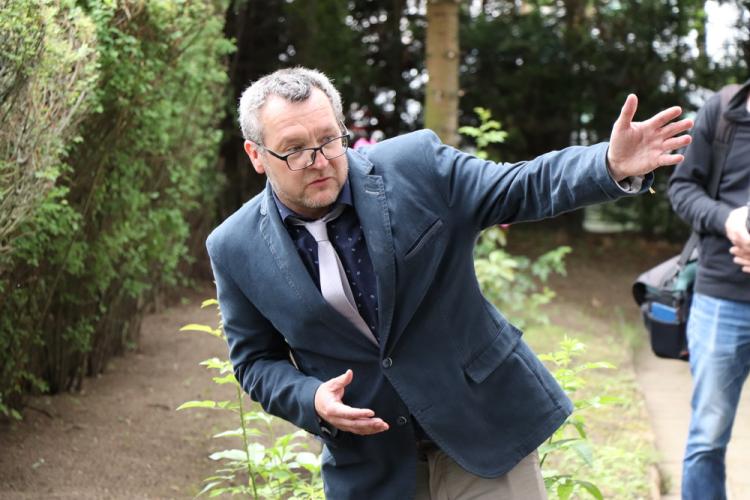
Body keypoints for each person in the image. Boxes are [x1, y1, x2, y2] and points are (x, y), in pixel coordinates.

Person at [207, 67, 692, 500]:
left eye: (329, 140)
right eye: (295, 150)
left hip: (481, 430)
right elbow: (256, 362)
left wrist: (607, 164)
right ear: (256, 154)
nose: (319, 160)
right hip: (373, 467)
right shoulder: (234, 247)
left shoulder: (416, 166)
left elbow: (518, 186)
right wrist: (310, 399)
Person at [668, 78, 750, 500]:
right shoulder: (723, 112)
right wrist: (727, 219)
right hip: (722, 301)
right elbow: (682, 188)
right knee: (708, 438)